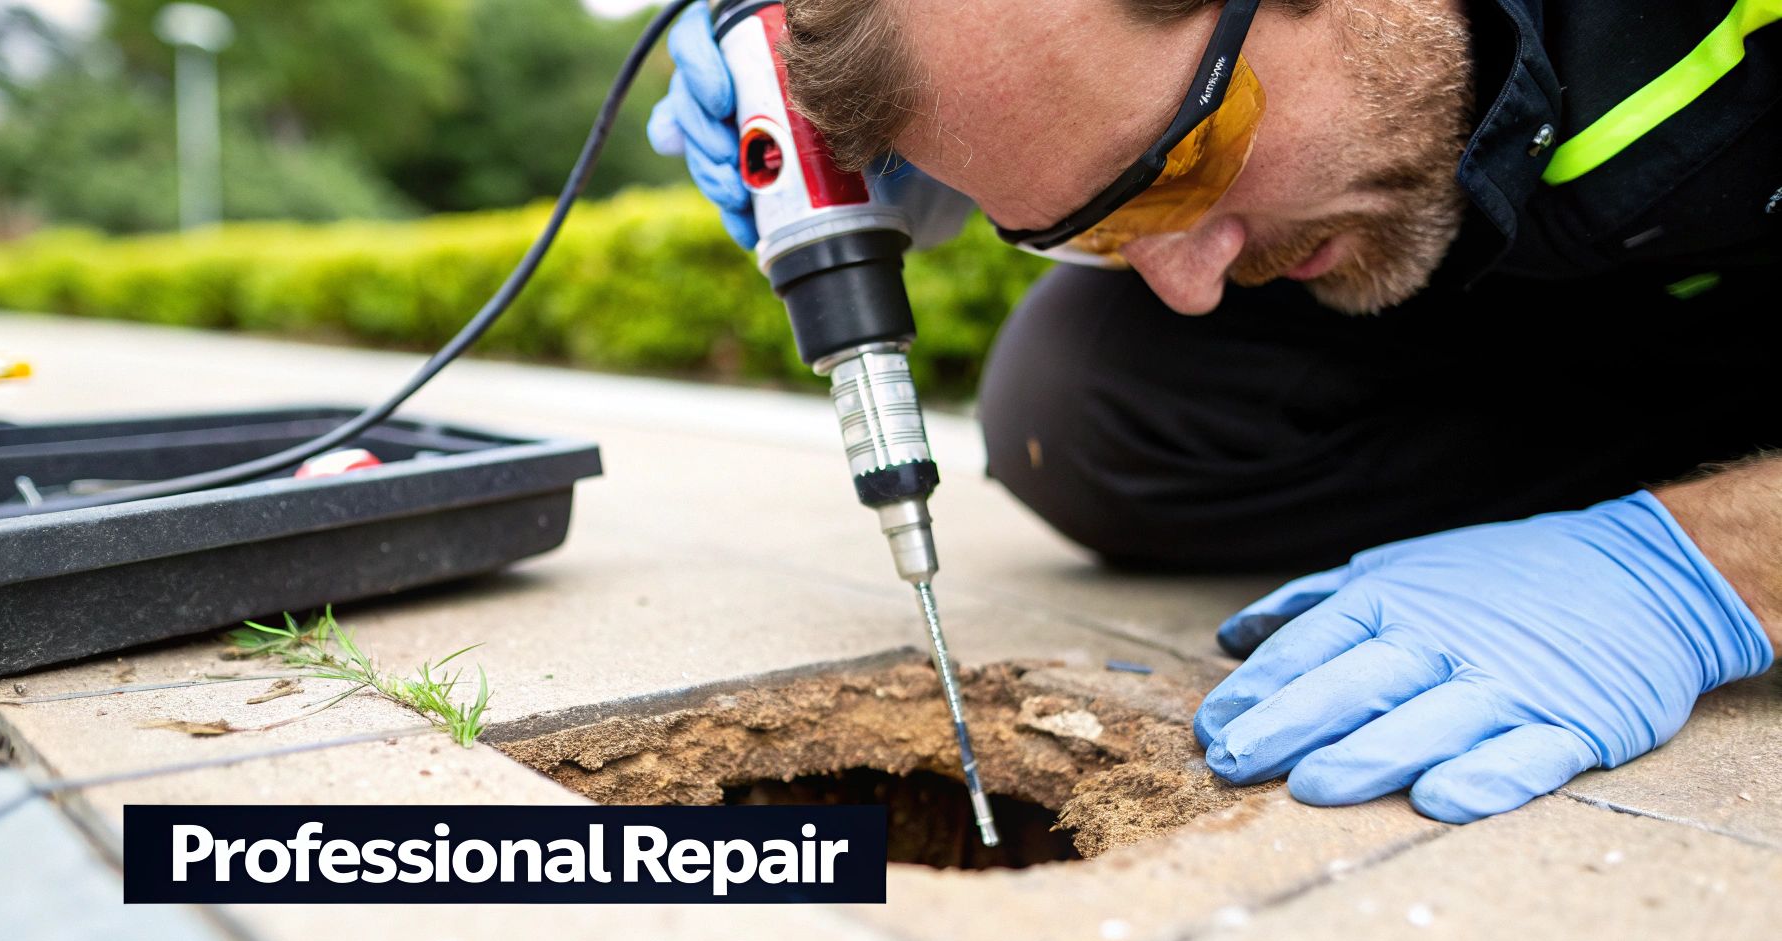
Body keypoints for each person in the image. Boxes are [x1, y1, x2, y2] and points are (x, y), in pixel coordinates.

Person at [648, 0, 1782, 823]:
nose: (1185, 278)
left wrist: (1704, 563)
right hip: (1619, 282)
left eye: (1181, 167)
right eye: (1091, 226)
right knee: (1081, 406)